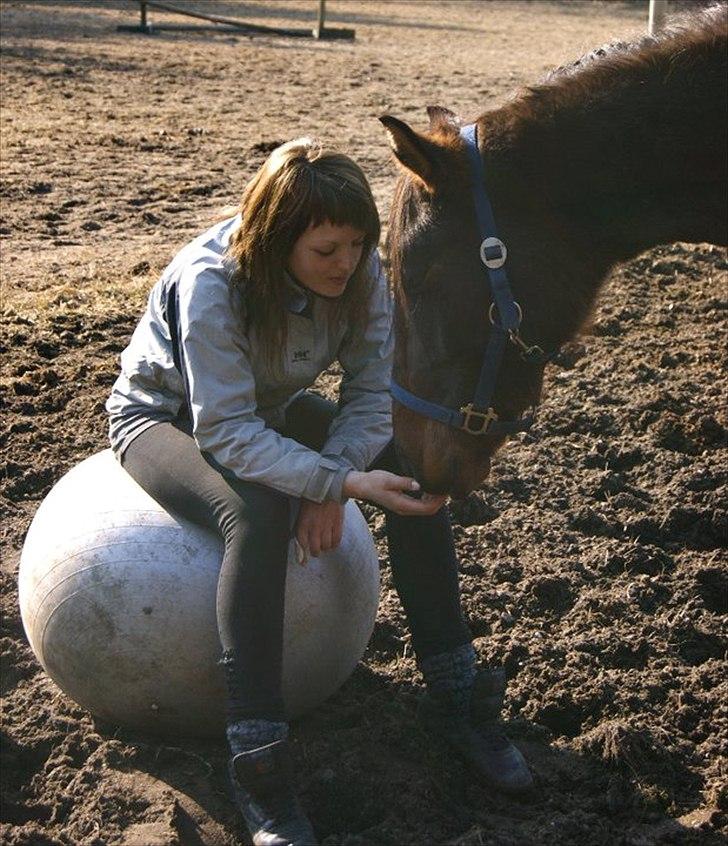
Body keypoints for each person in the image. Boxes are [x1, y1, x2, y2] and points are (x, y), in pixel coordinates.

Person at [106, 138, 532, 846]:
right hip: (169, 418)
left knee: (410, 464)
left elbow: (373, 399)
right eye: (327, 249)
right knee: (254, 512)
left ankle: (457, 695)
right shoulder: (212, 282)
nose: (348, 264)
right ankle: (260, 764)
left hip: (266, 409)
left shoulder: (362, 272)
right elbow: (228, 435)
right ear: (277, 240)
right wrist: (334, 477)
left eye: (359, 245)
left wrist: (336, 483)